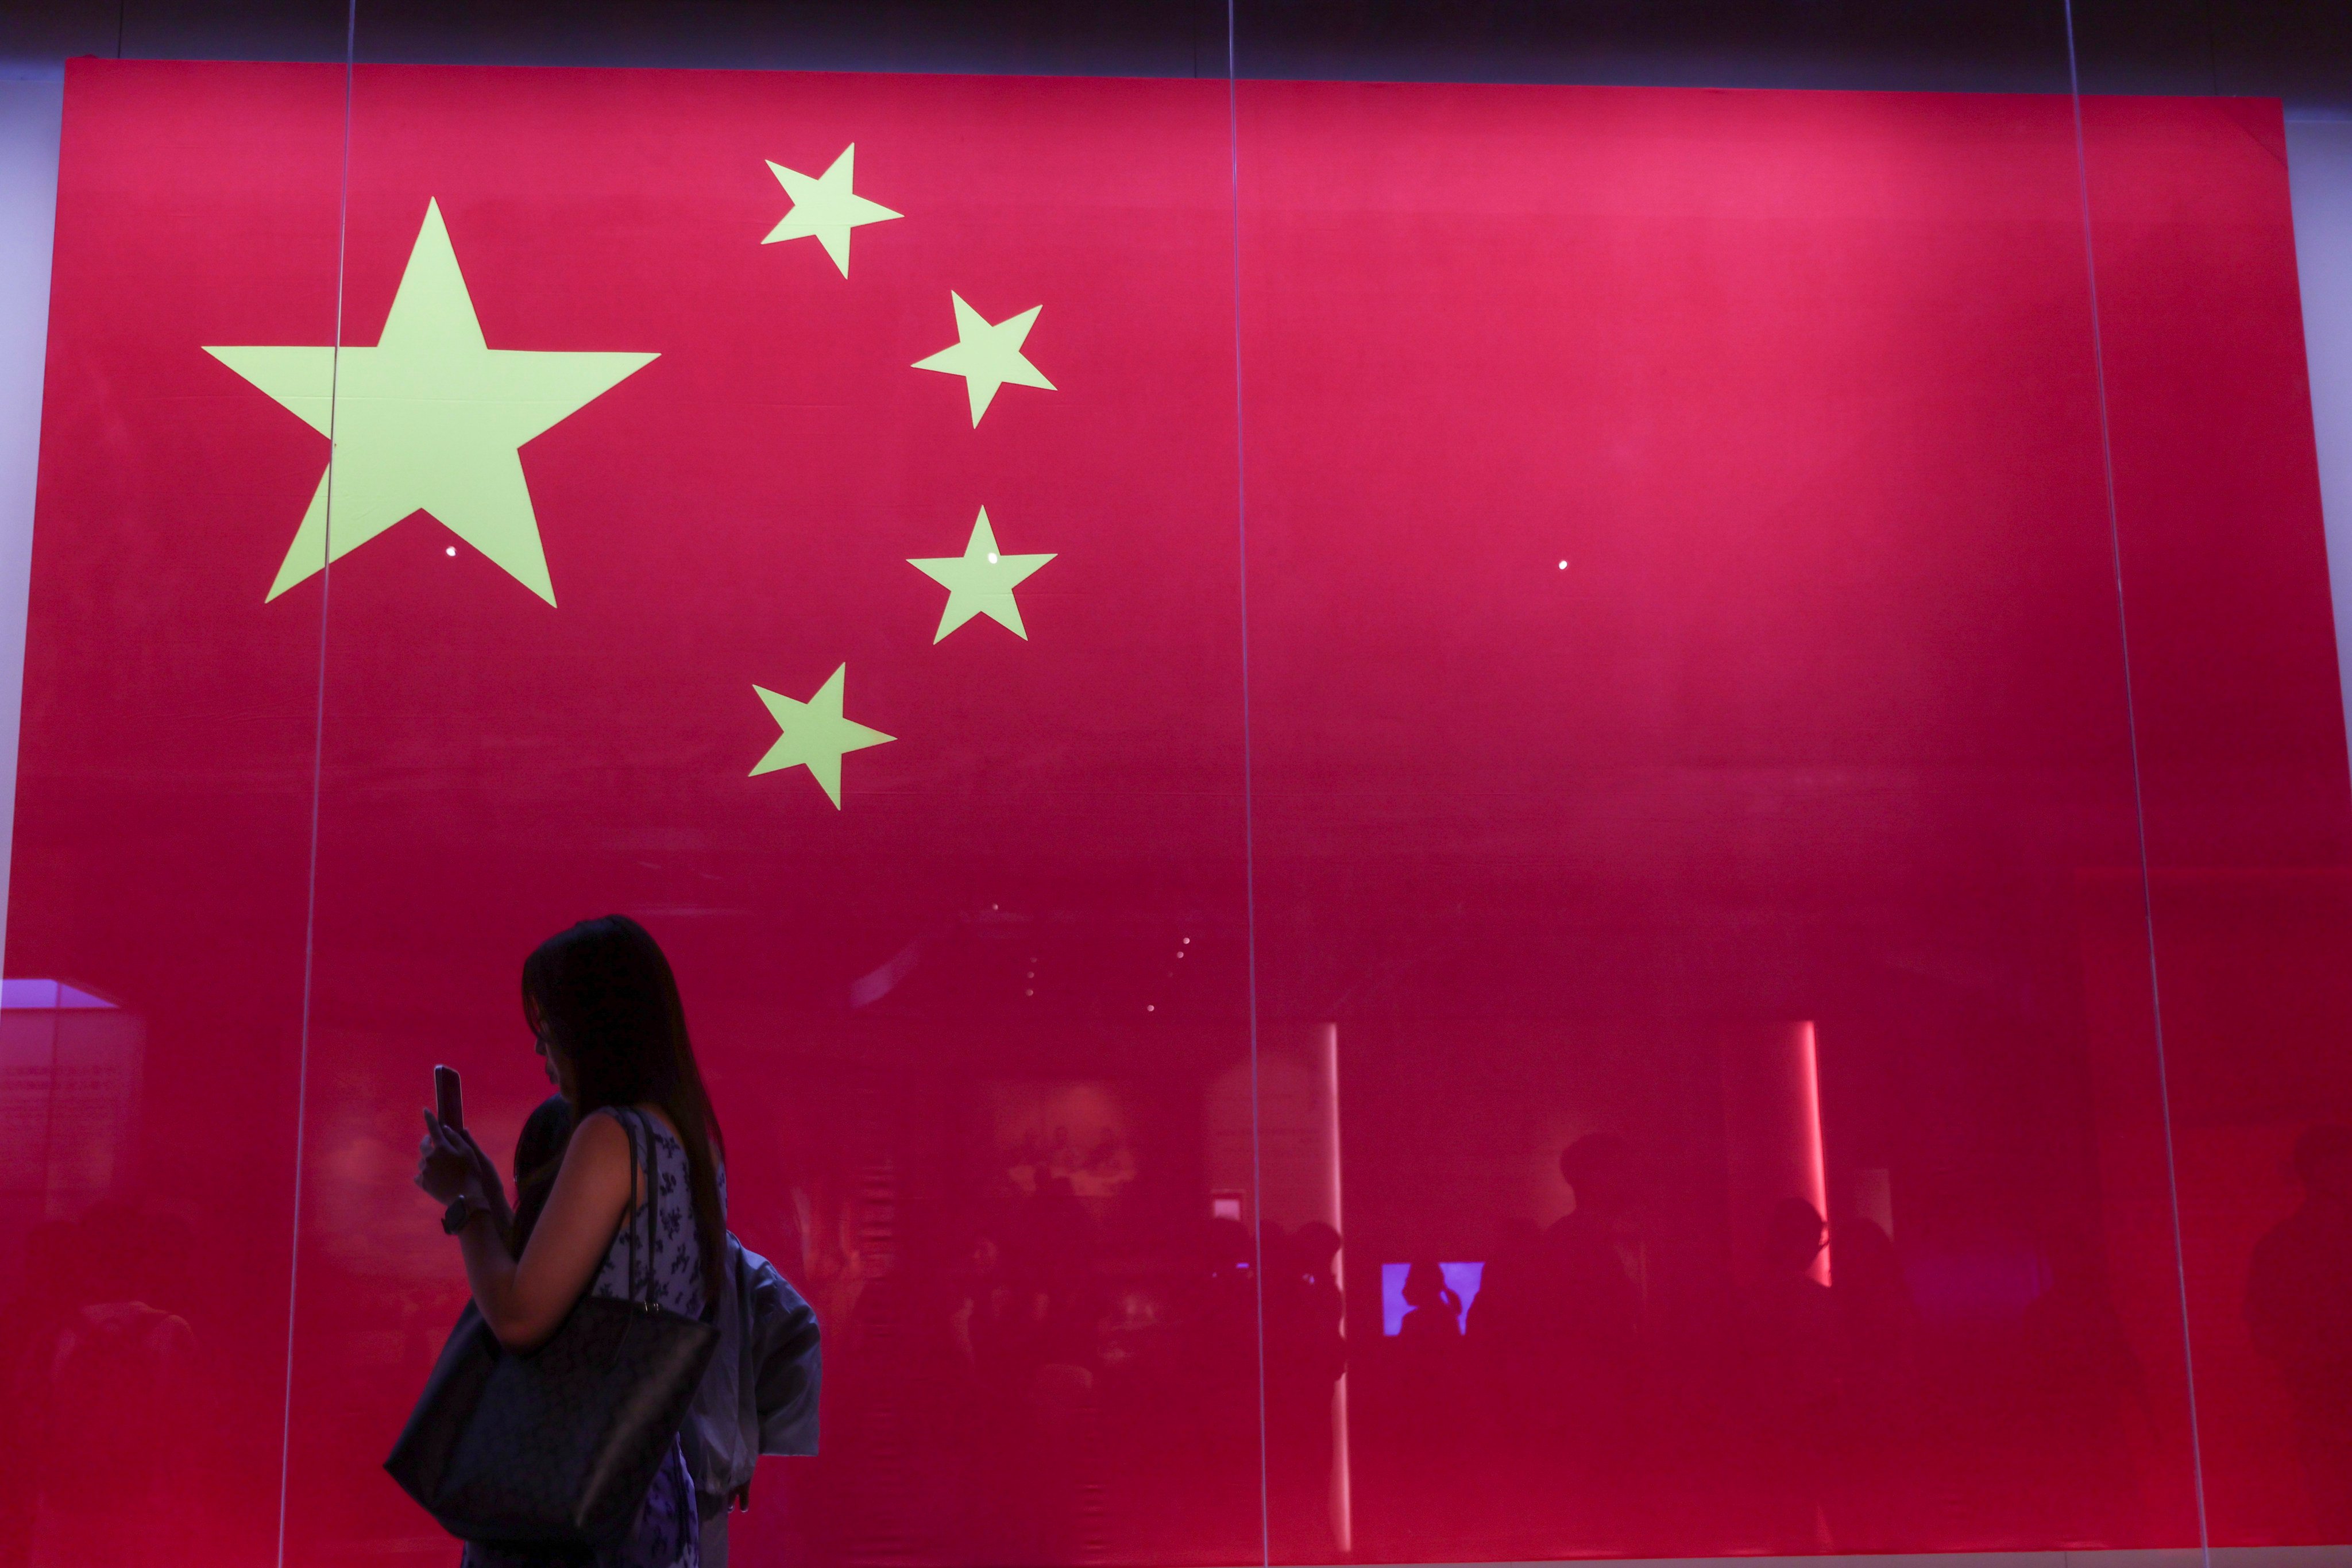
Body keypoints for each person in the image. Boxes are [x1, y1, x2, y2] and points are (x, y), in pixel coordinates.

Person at [416, 915, 729, 1568]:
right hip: (647, 1479)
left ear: (595, 1031)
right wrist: (493, 1200)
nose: (541, 1052)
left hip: (573, 1484)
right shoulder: (685, 1136)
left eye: (549, 1032)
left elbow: (522, 1317)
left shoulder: (611, 1136)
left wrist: (465, 1206)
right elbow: (585, 1281)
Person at [2247, 1124, 2352, 1535]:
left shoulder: (2281, 1246)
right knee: (2337, 1521)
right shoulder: (2283, 1247)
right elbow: (2266, 1335)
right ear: (2322, 1171)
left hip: (2320, 1413)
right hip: (2325, 1416)